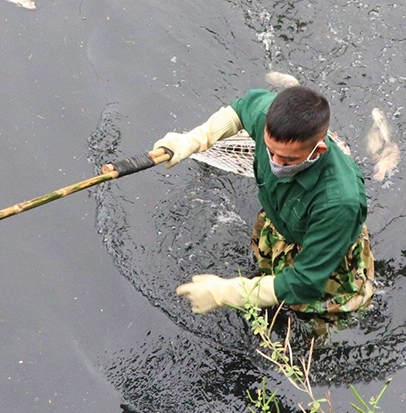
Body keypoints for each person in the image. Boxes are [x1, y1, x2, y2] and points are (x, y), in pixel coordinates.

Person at [153, 86, 374, 315]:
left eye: (288, 159)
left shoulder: (339, 203)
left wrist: (227, 293)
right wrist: (193, 140)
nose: (275, 163)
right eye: (270, 151)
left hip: (327, 252)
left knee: (319, 315)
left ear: (318, 150)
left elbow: (306, 283)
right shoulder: (268, 116)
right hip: (281, 220)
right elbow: (239, 111)